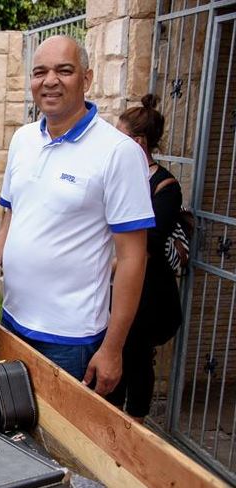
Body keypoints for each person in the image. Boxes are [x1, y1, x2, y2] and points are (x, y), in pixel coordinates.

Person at [0, 36, 153, 396]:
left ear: (87, 78)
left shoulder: (117, 152)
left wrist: (112, 349)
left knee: (61, 451)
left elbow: (133, 258)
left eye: (63, 71)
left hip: (72, 340)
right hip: (13, 321)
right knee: (11, 435)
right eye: (40, 72)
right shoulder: (23, 139)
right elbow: (14, 210)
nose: (49, 81)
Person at [108, 94, 183, 422]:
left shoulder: (165, 185)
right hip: (114, 281)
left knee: (137, 356)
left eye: (119, 136)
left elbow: (150, 240)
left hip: (148, 291)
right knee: (116, 351)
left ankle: (134, 424)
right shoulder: (117, 174)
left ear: (138, 142)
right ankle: (111, 420)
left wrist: (110, 261)